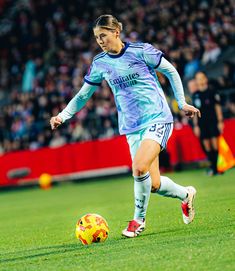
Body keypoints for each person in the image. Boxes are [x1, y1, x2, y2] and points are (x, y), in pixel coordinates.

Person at [50, 15, 201, 238]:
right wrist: (63, 115)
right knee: (153, 184)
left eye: (103, 35)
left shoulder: (141, 51)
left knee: (139, 167)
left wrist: (182, 102)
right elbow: (84, 95)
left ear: (116, 32)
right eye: (96, 37)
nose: (100, 41)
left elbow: (170, 71)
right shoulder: (100, 63)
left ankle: (138, 222)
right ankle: (186, 194)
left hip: (157, 117)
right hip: (131, 127)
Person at [192, 71, 224, 176]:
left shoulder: (212, 91)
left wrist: (220, 121)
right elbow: (194, 111)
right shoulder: (195, 95)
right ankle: (213, 166)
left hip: (213, 121)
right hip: (202, 123)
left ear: (205, 79)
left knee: (215, 144)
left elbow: (217, 107)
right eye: (198, 78)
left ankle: (216, 168)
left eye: (202, 77)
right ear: (196, 81)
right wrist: (196, 125)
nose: (200, 80)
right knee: (207, 145)